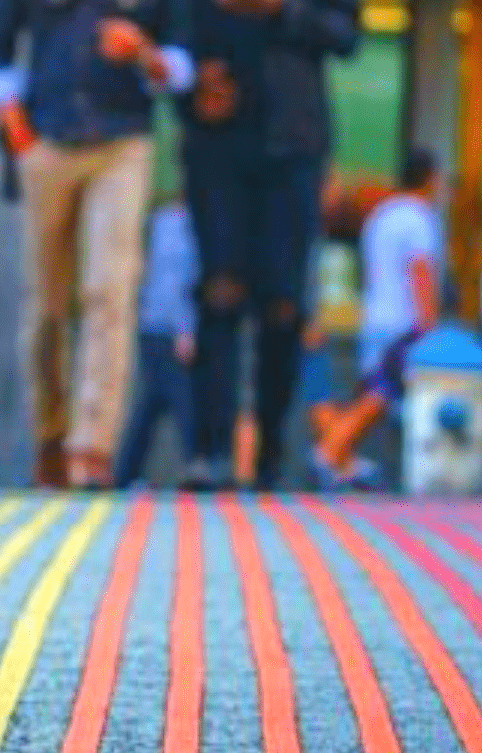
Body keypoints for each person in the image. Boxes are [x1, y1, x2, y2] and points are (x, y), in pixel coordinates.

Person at [0, 0, 194, 489]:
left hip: (123, 143)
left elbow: (182, 66)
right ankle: (50, 434)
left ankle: (93, 446)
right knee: (47, 304)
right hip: (45, 140)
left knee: (110, 291)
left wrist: (144, 53)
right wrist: (15, 126)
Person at [182, 0, 362, 490]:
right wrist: (191, 86)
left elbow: (346, 35)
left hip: (293, 143)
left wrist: (280, 10)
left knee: (283, 304)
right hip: (217, 139)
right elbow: (173, 28)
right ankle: (210, 451)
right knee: (219, 292)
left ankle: (270, 453)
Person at [310, 148, 443, 489]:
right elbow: (420, 271)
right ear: (431, 179)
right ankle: (331, 450)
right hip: (403, 321)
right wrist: (429, 323)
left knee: (375, 390)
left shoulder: (381, 217)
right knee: (379, 394)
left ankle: (341, 457)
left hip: (374, 317)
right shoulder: (418, 217)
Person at [114, 197, 203, 489]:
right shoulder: (186, 226)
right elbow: (178, 280)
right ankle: (192, 466)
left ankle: (126, 473)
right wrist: (186, 329)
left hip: (151, 324)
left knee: (152, 404)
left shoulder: (160, 221)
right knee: (181, 403)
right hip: (169, 330)